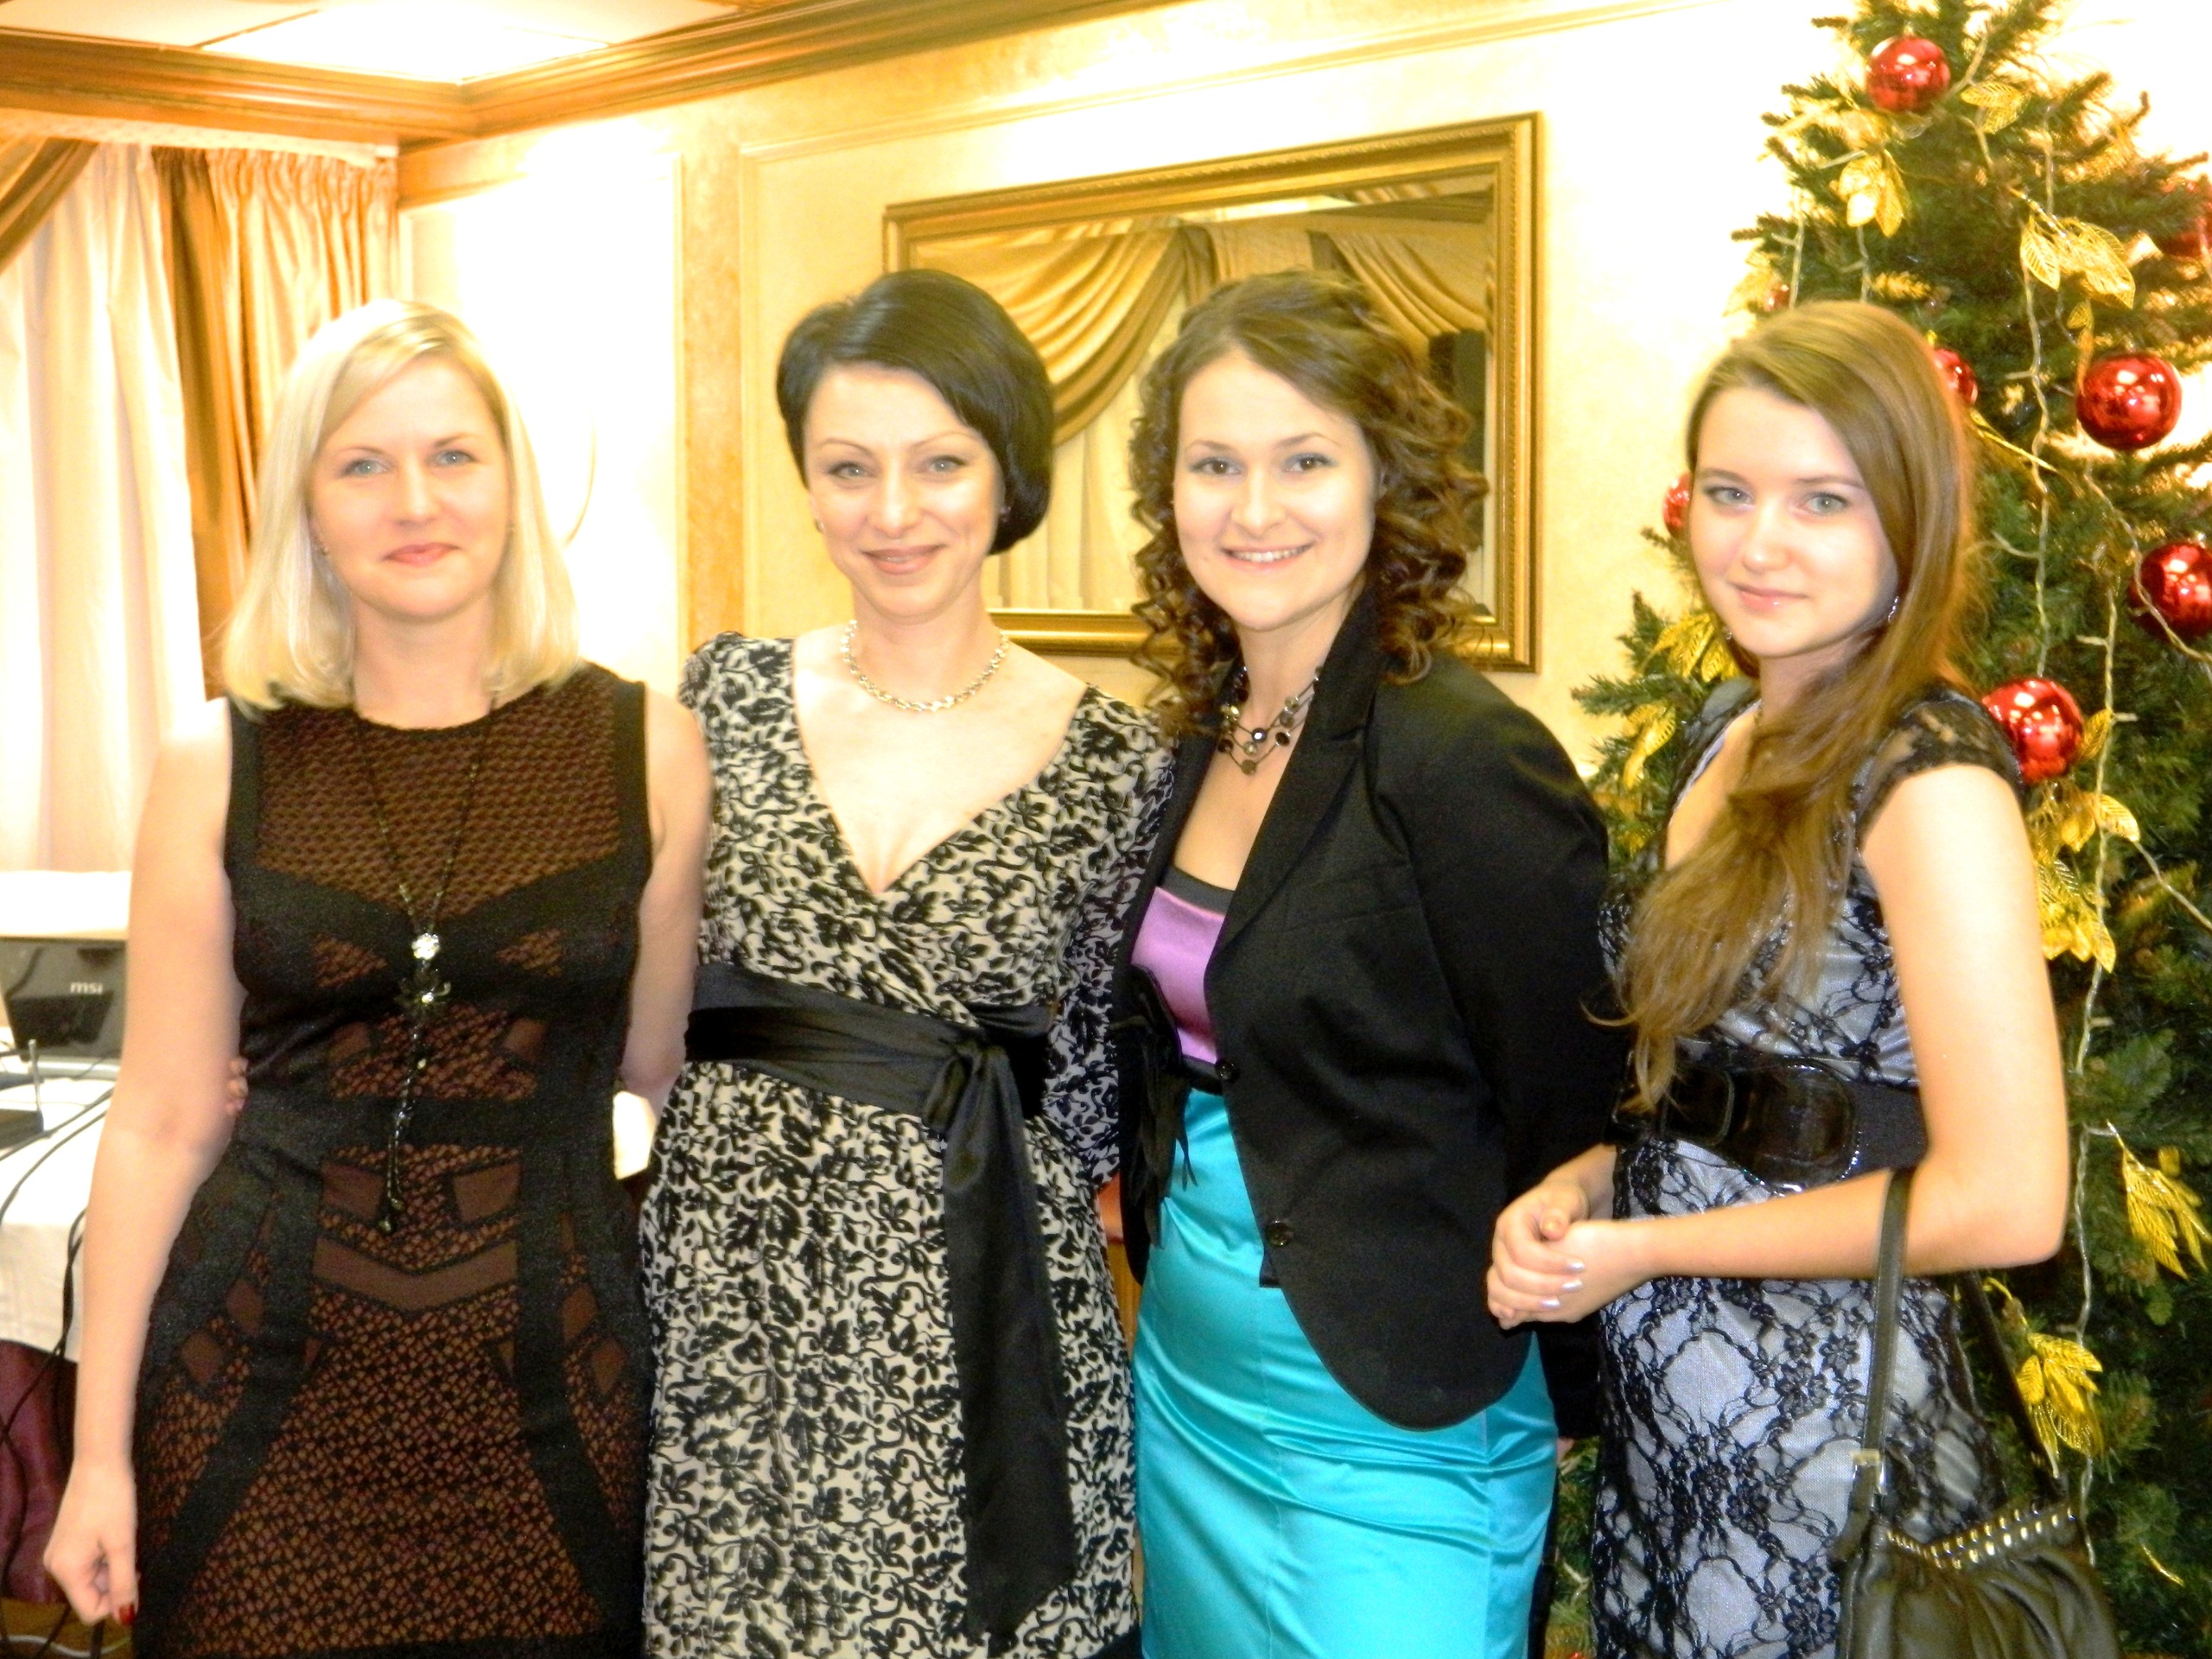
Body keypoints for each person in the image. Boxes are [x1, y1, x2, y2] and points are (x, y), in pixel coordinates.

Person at [43, 299, 711, 1656]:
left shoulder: (648, 748)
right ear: (307, 501)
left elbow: (659, 1071)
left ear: (513, 482)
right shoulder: (217, 763)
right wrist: (98, 1458)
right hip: (252, 1396)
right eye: (362, 463)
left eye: (454, 455)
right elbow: (161, 1120)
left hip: (555, 1400)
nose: (415, 500)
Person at [1487, 301, 2070, 1659]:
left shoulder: (1928, 778)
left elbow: (2010, 1199)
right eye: (1730, 491)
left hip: (1827, 1436)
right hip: (1676, 1411)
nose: (1759, 544)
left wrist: (1647, 1249)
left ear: (1910, 520)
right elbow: (1727, 1086)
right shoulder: (1729, 730)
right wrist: (1592, 1187)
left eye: (1824, 501)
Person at [642, 267, 1161, 1659]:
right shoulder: (717, 698)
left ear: (1008, 475)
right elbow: (623, 977)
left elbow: (1103, 1087)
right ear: (808, 486)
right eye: (848, 467)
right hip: (734, 1301)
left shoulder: (1118, 761)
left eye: (939, 463)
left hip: (978, 1301)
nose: (892, 511)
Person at [1109, 269, 1624, 1659]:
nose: (1255, 508)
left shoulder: (1464, 755)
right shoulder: (1198, 733)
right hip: (1192, 1382)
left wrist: (1570, 1390)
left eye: (1304, 461)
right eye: (1214, 464)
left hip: (1403, 1409)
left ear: (1383, 479)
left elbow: (1585, 1104)